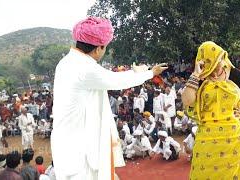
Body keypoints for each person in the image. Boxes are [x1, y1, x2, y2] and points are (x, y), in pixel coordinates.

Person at [51, 17, 167, 180]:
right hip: (81, 151)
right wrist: (150, 72)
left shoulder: (66, 63)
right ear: (99, 48)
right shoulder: (84, 68)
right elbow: (115, 80)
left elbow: (108, 77)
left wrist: (137, 72)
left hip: (70, 144)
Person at [182, 41, 240, 179]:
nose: (222, 61)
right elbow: (187, 101)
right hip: (208, 141)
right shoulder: (200, 77)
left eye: (221, 57)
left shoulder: (233, 74)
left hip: (236, 139)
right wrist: (196, 75)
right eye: (217, 58)